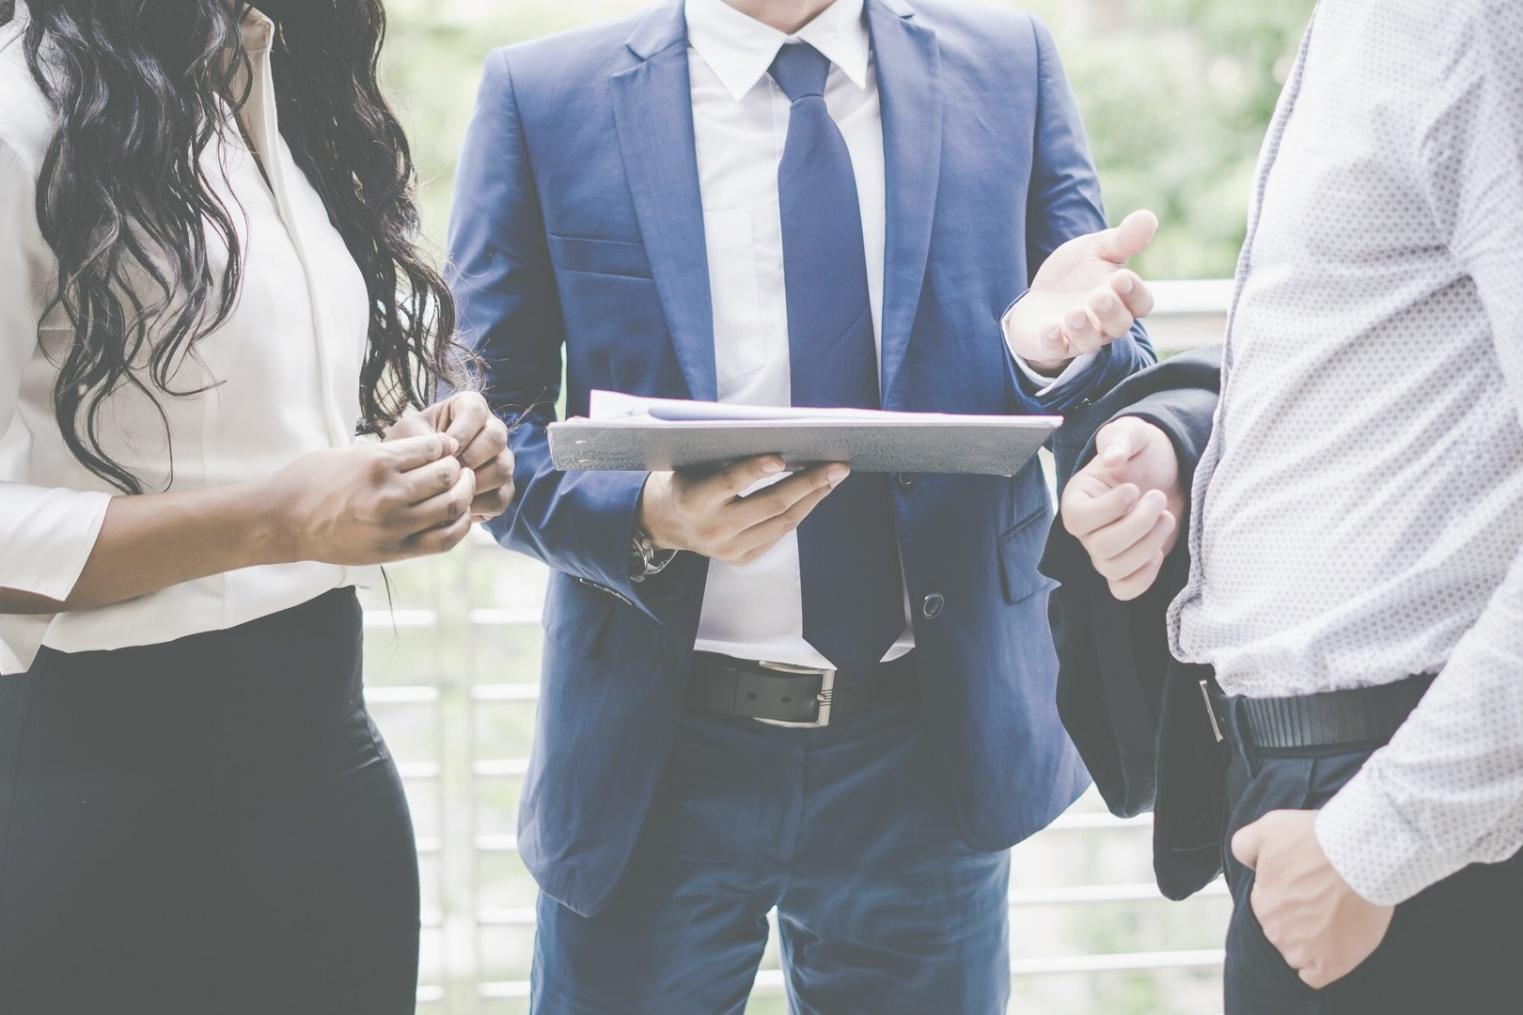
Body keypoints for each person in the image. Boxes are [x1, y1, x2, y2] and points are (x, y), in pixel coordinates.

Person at [449, 0, 1157, 1008]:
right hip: (653, 752)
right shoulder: (544, 96)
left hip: (926, 747)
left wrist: (1052, 353)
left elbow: (1112, 370)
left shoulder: (1011, 66)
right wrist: (647, 516)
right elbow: (485, 432)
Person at [0, 2, 515, 1012]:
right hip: (94, 791)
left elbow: (262, 426)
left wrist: (429, 455)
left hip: (325, 768)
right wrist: (276, 521)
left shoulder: (264, 81)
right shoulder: (16, 112)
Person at [1046, 1, 1523, 1012]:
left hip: (1404, 813)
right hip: (1319, 793)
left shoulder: (1473, 26)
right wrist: (1178, 452)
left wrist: (1377, 840)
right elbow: (1385, 365)